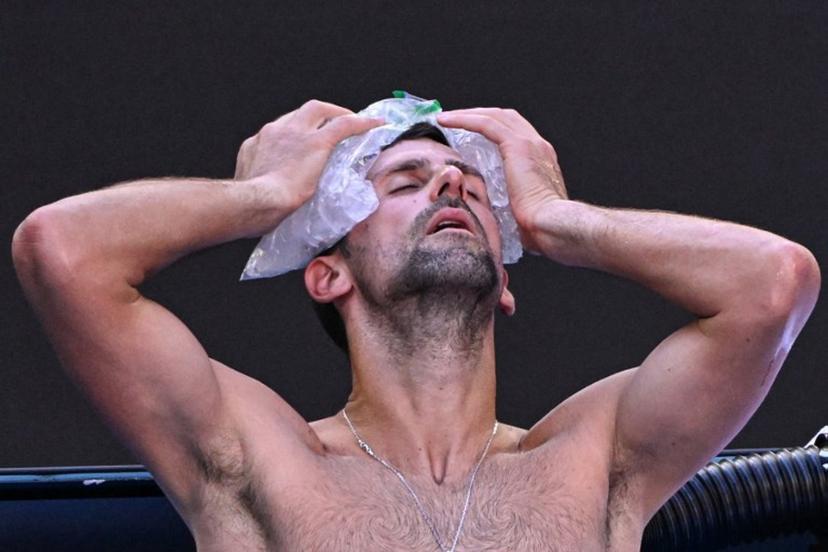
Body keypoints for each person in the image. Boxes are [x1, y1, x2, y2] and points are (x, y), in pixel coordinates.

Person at [12, 99, 820, 551]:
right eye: (404, 181)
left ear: (504, 282)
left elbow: (774, 284)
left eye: (469, 184)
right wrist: (261, 200)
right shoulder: (252, 455)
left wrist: (553, 217)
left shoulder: (596, 458)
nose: (449, 188)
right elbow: (61, 251)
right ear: (326, 271)